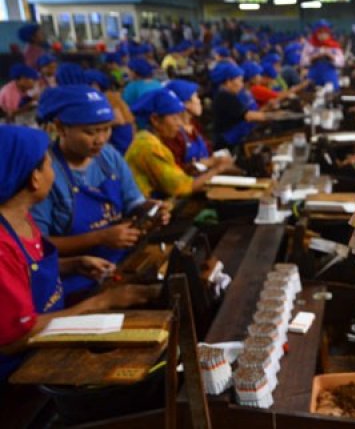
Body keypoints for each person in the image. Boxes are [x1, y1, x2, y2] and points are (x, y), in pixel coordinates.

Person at [0, 125, 157, 381]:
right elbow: (15, 339)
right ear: (35, 178)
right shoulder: (2, 247)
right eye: (49, 164)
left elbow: (27, 269)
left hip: (46, 347)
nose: (54, 171)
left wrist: (72, 264)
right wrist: (101, 303)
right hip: (18, 373)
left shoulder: (21, 219)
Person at [31, 86, 158, 297]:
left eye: (106, 129)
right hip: (74, 280)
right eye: (90, 132)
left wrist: (151, 210)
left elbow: (134, 203)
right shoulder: (45, 173)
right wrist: (99, 238)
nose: (100, 139)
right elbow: (39, 246)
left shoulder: (108, 157)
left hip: (120, 264)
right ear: (61, 128)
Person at [126, 88, 234, 198]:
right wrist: (218, 169)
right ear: (155, 120)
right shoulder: (148, 147)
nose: (180, 124)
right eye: (174, 118)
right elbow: (181, 187)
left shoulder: (155, 141)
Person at [163, 80, 231, 174]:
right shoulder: (173, 133)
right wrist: (206, 163)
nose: (199, 101)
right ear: (185, 103)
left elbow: (208, 152)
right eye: (196, 97)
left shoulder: (194, 125)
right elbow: (176, 172)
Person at [209, 62, 272, 150]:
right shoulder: (225, 96)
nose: (241, 84)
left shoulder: (225, 95)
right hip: (228, 144)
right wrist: (274, 117)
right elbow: (248, 116)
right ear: (228, 81)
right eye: (239, 80)